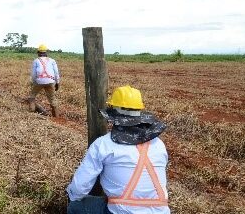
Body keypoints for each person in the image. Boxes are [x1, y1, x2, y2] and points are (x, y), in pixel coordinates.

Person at [66, 85, 170, 214]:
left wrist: (72, 196)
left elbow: (79, 187)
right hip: (161, 211)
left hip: (122, 211)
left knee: (75, 206)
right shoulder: (159, 144)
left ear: (113, 114)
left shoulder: (104, 144)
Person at [29, 44, 60, 117]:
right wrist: (57, 82)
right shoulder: (52, 61)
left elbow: (33, 74)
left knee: (32, 96)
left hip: (39, 81)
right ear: (46, 53)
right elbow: (56, 72)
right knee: (52, 99)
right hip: (51, 81)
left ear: (38, 52)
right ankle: (56, 117)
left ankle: (31, 111)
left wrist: (33, 82)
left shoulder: (36, 61)